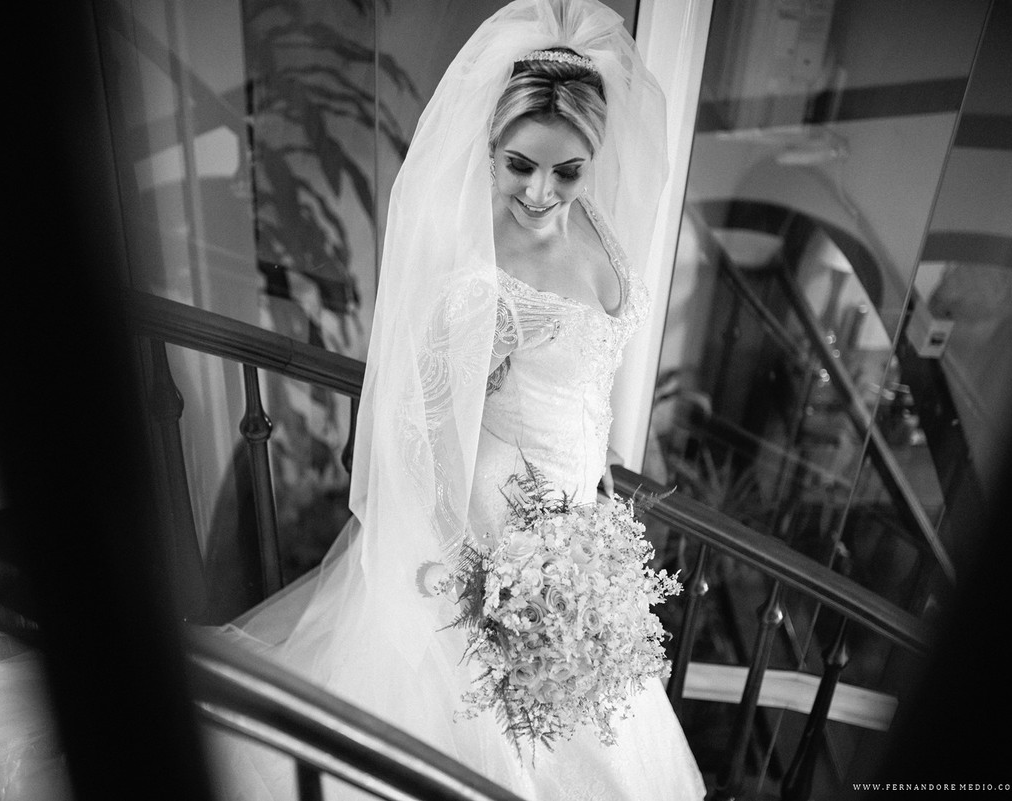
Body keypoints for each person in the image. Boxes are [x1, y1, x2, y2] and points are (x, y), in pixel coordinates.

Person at [205, 0, 706, 798]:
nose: (541, 191)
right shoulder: (481, 277)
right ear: (489, 148)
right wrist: (484, 580)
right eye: (520, 164)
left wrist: (597, 484)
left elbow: (588, 378)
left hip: (579, 522)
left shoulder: (597, 226)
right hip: (504, 535)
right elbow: (427, 431)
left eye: (567, 171)